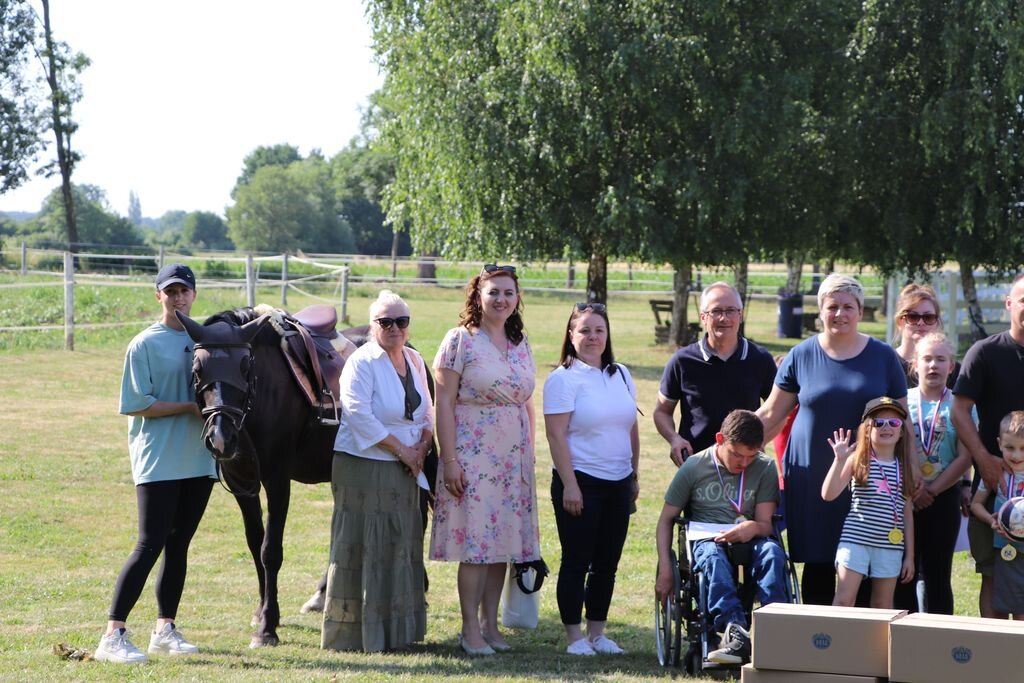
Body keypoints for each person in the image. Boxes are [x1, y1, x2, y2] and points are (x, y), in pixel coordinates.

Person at [756, 273, 908, 605]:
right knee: (820, 560)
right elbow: (771, 414)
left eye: (848, 307)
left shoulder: (883, 357)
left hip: (870, 477)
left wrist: (914, 471)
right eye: (832, 306)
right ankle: (818, 644)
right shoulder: (801, 354)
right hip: (812, 474)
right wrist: (731, 444)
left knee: (870, 553)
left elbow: (903, 419)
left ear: (861, 310)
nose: (840, 314)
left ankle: (863, 644)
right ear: (820, 311)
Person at [94, 264, 216, 664]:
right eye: (171, 291)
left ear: (195, 295)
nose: (179, 298)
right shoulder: (143, 344)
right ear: (158, 295)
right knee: (150, 544)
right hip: (159, 461)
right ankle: (113, 635)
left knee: (178, 545)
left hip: (199, 459)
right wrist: (190, 407)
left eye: (185, 291)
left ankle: (165, 628)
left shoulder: (207, 339)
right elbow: (137, 403)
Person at [431, 264, 539, 656]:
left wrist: (530, 454)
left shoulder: (520, 341)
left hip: (513, 458)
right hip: (473, 454)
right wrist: (450, 459)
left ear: (517, 298)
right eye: (494, 292)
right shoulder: (460, 340)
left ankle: (490, 626)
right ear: (478, 295)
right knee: (477, 544)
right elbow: (443, 403)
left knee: (502, 545)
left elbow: (526, 400)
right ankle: (468, 630)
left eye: (509, 292)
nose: (501, 299)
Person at [321, 290, 431, 652]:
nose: (395, 328)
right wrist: (403, 451)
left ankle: (398, 632)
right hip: (365, 465)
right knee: (365, 545)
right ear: (373, 326)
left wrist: (422, 449)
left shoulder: (414, 359)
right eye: (386, 322)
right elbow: (358, 414)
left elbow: (427, 412)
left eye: (401, 321)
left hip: (405, 467)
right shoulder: (362, 361)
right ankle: (356, 634)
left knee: (399, 545)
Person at [544, 302, 639, 656]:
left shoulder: (622, 375)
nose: (592, 337)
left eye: (599, 330)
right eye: (584, 330)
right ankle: (574, 637)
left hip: (618, 480)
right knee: (576, 561)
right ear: (571, 336)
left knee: (606, 564)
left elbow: (631, 428)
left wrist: (633, 475)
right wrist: (570, 484)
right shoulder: (563, 379)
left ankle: (597, 632)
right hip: (580, 481)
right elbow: (556, 436)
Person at [655, 410, 787, 666]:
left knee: (773, 553)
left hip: (751, 536)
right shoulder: (694, 466)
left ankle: (774, 625)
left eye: (751, 456)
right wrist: (665, 570)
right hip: (708, 538)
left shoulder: (765, 466)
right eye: (737, 454)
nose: (744, 463)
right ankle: (733, 629)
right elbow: (665, 520)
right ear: (720, 439)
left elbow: (765, 523)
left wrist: (752, 527)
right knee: (713, 559)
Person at [952, 273, 1024, 618]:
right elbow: (959, 410)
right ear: (1010, 304)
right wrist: (984, 459)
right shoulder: (985, 353)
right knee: (992, 579)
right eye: (1023, 299)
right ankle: (993, 658)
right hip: (995, 486)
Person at [654, 282, 776, 466]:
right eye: (716, 311)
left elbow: (779, 411)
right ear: (703, 317)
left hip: (745, 465)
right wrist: (674, 439)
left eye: (730, 311)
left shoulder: (760, 359)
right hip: (696, 464)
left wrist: (760, 441)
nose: (723, 318)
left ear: (740, 315)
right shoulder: (682, 361)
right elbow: (662, 412)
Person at [894, 332, 972, 614]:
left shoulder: (960, 406)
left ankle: (940, 643)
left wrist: (933, 490)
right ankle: (902, 640)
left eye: (941, 359)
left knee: (939, 575)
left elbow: (965, 457)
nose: (933, 366)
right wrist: (915, 491)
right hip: (904, 499)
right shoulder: (902, 402)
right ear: (915, 364)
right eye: (927, 359)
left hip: (942, 498)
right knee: (904, 574)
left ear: (951, 366)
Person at [823, 397, 915, 609]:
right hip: (855, 540)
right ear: (866, 430)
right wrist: (839, 461)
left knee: (883, 604)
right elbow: (828, 494)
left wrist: (909, 556)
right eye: (878, 422)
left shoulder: (905, 468)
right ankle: (837, 642)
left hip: (890, 545)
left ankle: (878, 644)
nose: (886, 427)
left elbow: (907, 514)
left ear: (901, 431)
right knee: (845, 600)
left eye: (894, 423)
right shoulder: (857, 459)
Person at [969, 411, 1024, 618]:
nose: (1016, 455)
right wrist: (990, 519)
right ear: (999, 444)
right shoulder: (994, 472)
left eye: (1022, 449)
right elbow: (976, 505)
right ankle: (995, 645)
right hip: (1000, 548)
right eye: (1010, 448)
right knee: (995, 596)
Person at [892, 283, 960, 388]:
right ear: (900, 321)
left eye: (928, 317)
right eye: (913, 317)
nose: (921, 323)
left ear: (937, 322)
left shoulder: (951, 369)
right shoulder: (886, 362)